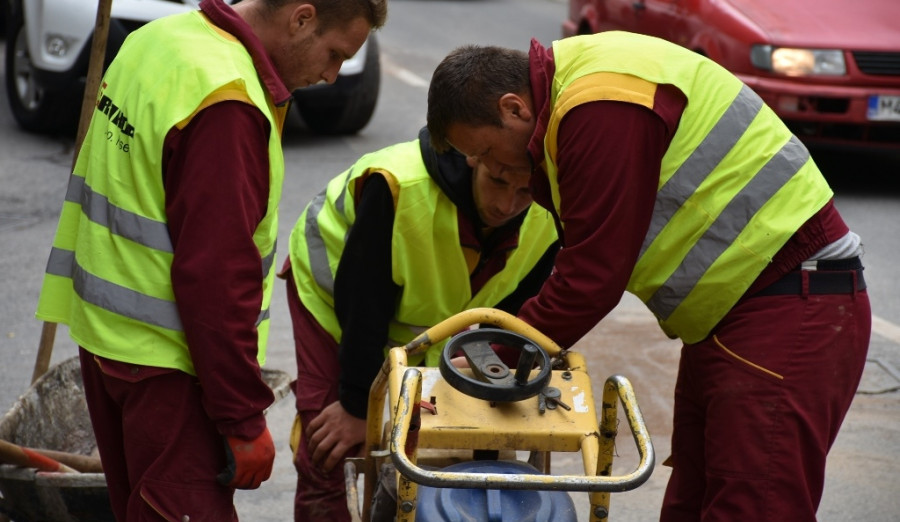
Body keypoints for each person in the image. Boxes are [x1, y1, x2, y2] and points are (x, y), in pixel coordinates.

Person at [425, 32, 871, 522]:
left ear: (513, 109)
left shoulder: (599, 104)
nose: (488, 167)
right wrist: (499, 345)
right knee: (692, 502)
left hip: (789, 304)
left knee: (754, 503)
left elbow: (591, 278)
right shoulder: (578, 92)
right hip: (736, 315)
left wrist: (499, 355)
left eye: (486, 152)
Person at [34, 0, 386, 519]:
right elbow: (217, 281)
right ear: (302, 17)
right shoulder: (228, 103)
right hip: (170, 372)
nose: (332, 76)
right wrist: (243, 420)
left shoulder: (159, 40)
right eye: (334, 54)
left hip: (107, 344)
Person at [280, 126, 559, 521]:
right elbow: (363, 301)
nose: (506, 204)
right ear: (474, 157)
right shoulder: (398, 187)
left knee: (435, 435)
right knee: (333, 446)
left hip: (422, 325)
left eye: (524, 193)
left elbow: (515, 307)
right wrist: (358, 406)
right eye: (497, 182)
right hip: (335, 300)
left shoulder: (548, 210)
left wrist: (489, 360)